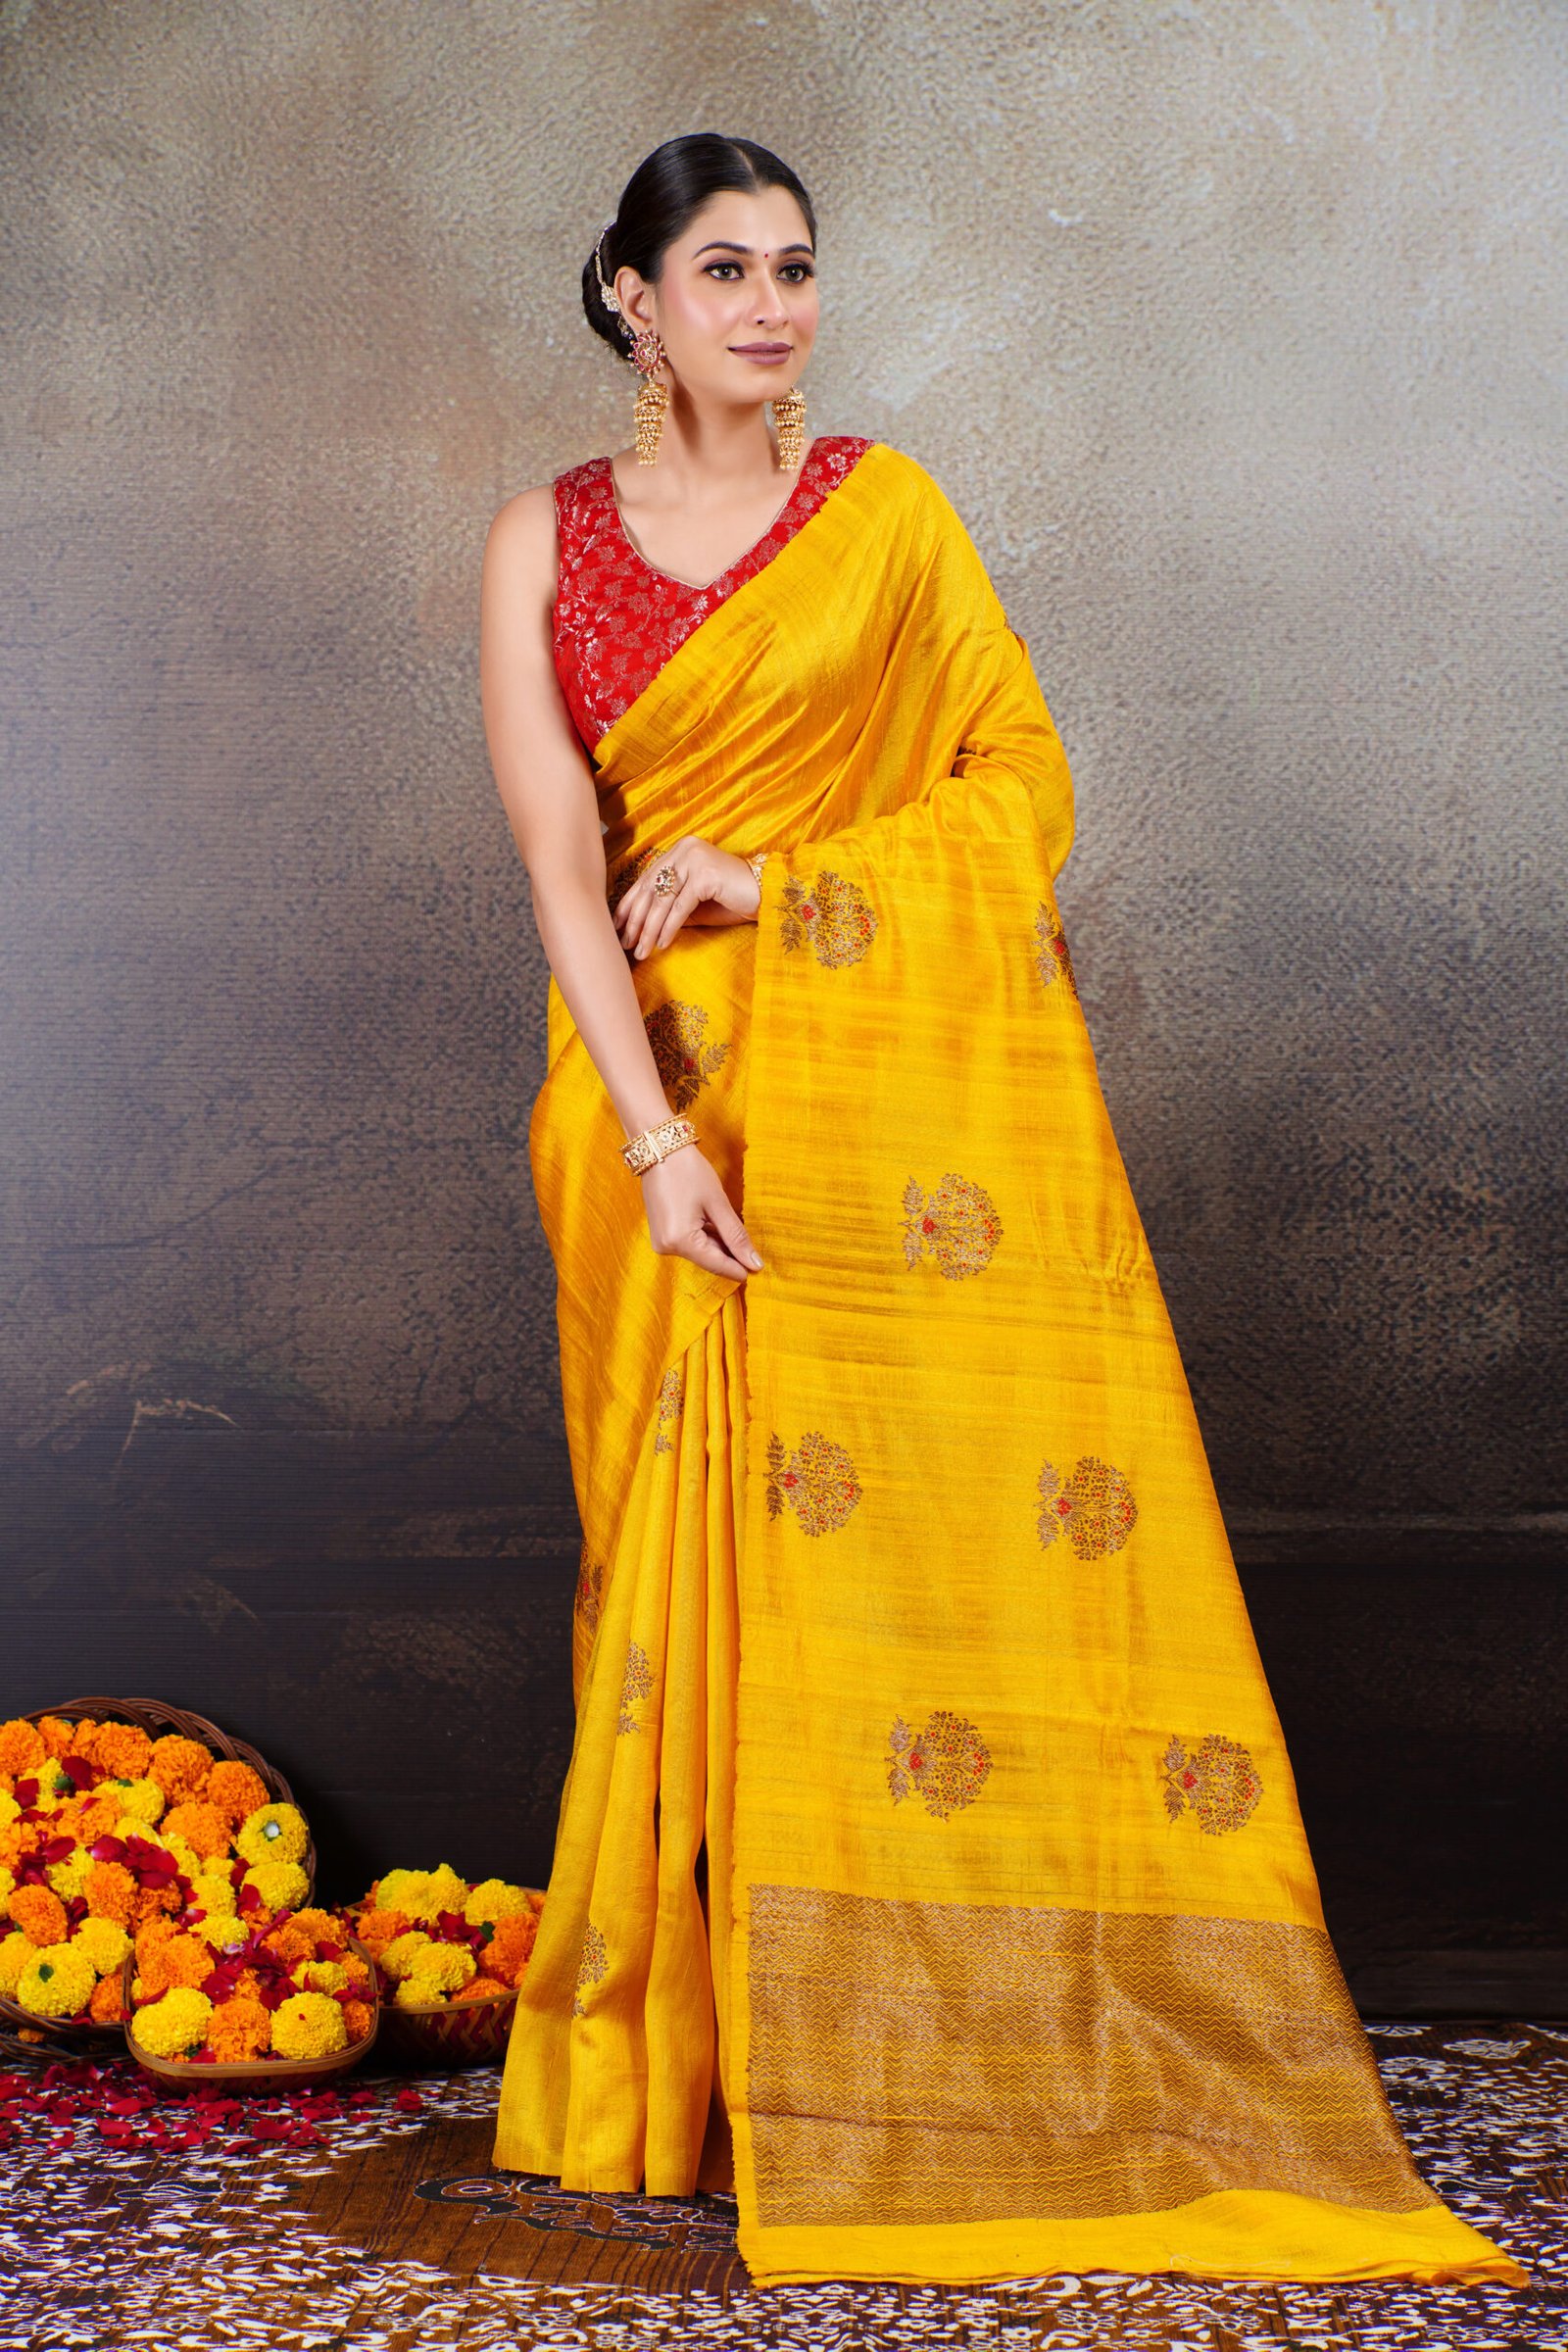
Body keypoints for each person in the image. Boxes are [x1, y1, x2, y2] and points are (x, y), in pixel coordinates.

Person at [477, 132, 1526, 2294]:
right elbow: (563, 869)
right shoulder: (538, 541)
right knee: (674, 1581)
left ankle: (909, 2048)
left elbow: (1022, 783)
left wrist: (787, 883)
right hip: (651, 1115)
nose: (771, 307)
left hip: (873, 1116)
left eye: (796, 268)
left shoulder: (888, 515)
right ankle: (683, 2066)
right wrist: (656, 1144)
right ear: (629, 298)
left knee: (904, 1559)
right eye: (723, 270)